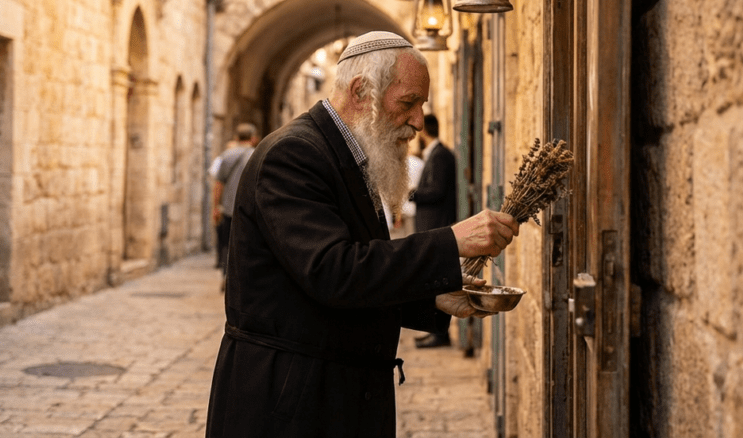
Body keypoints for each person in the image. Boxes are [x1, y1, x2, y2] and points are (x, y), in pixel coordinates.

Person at [205, 31, 519, 438]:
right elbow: (333, 271)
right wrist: (451, 242)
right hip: (289, 401)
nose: (418, 121)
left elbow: (363, 271)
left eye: (421, 105)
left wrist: (434, 297)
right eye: (408, 103)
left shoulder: (353, 156)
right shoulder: (294, 155)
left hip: (331, 393)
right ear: (361, 91)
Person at [410, 113, 459, 349]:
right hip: (433, 226)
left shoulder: (440, 156)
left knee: (437, 283)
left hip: (437, 225)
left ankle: (440, 334)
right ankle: (434, 331)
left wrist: (411, 194)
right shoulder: (436, 154)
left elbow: (437, 191)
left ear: (424, 132)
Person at [212, 123, 258, 278]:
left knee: (226, 243)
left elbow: (219, 184)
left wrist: (216, 206)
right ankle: (241, 276)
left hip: (228, 208)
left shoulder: (227, 155)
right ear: (253, 138)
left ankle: (226, 274)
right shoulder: (257, 155)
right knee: (246, 245)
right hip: (248, 210)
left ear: (237, 138)